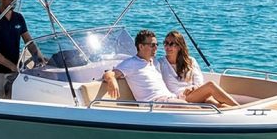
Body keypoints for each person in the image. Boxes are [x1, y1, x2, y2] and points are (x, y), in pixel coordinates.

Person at [99, 30, 238, 108]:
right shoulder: (132, 63)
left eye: (157, 45)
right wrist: (111, 80)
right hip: (157, 103)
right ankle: (238, 111)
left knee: (212, 105)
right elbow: (111, 73)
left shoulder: (154, 63)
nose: (157, 48)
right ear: (141, 46)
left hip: (169, 99)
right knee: (198, 109)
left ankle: (238, 112)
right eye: (152, 45)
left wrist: (193, 88)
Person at [0, 0, 41, 99]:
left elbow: (29, 41)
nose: (14, 1)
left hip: (15, 71)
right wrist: (11, 66)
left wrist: (39, 58)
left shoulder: (19, 18)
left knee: (18, 101)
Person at [157, 30, 239, 107]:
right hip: (178, 98)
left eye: (171, 44)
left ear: (179, 47)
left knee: (213, 103)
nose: (167, 46)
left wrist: (193, 87)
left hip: (193, 94)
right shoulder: (159, 63)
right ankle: (238, 108)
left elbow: (199, 81)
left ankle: (236, 111)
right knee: (210, 85)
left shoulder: (190, 61)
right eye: (166, 43)